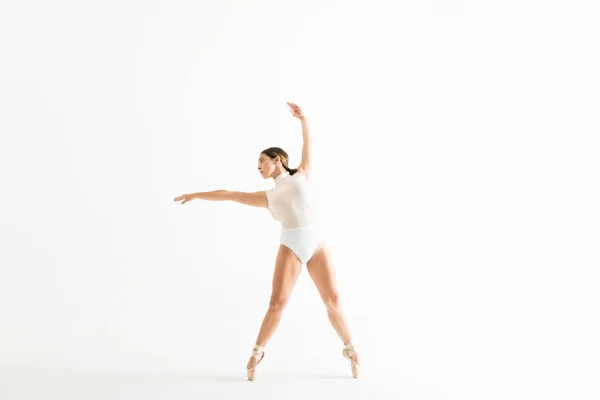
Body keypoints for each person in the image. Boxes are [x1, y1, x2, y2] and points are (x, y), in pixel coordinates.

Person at [173, 102, 360, 380]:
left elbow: (308, 144)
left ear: (277, 160)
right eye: (258, 163)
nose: (258, 166)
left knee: (333, 299)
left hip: (317, 242)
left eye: (262, 160)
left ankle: (351, 349)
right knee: (277, 302)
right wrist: (198, 194)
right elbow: (229, 194)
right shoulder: (267, 197)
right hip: (292, 245)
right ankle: (257, 352)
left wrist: (303, 119)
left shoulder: (302, 176)